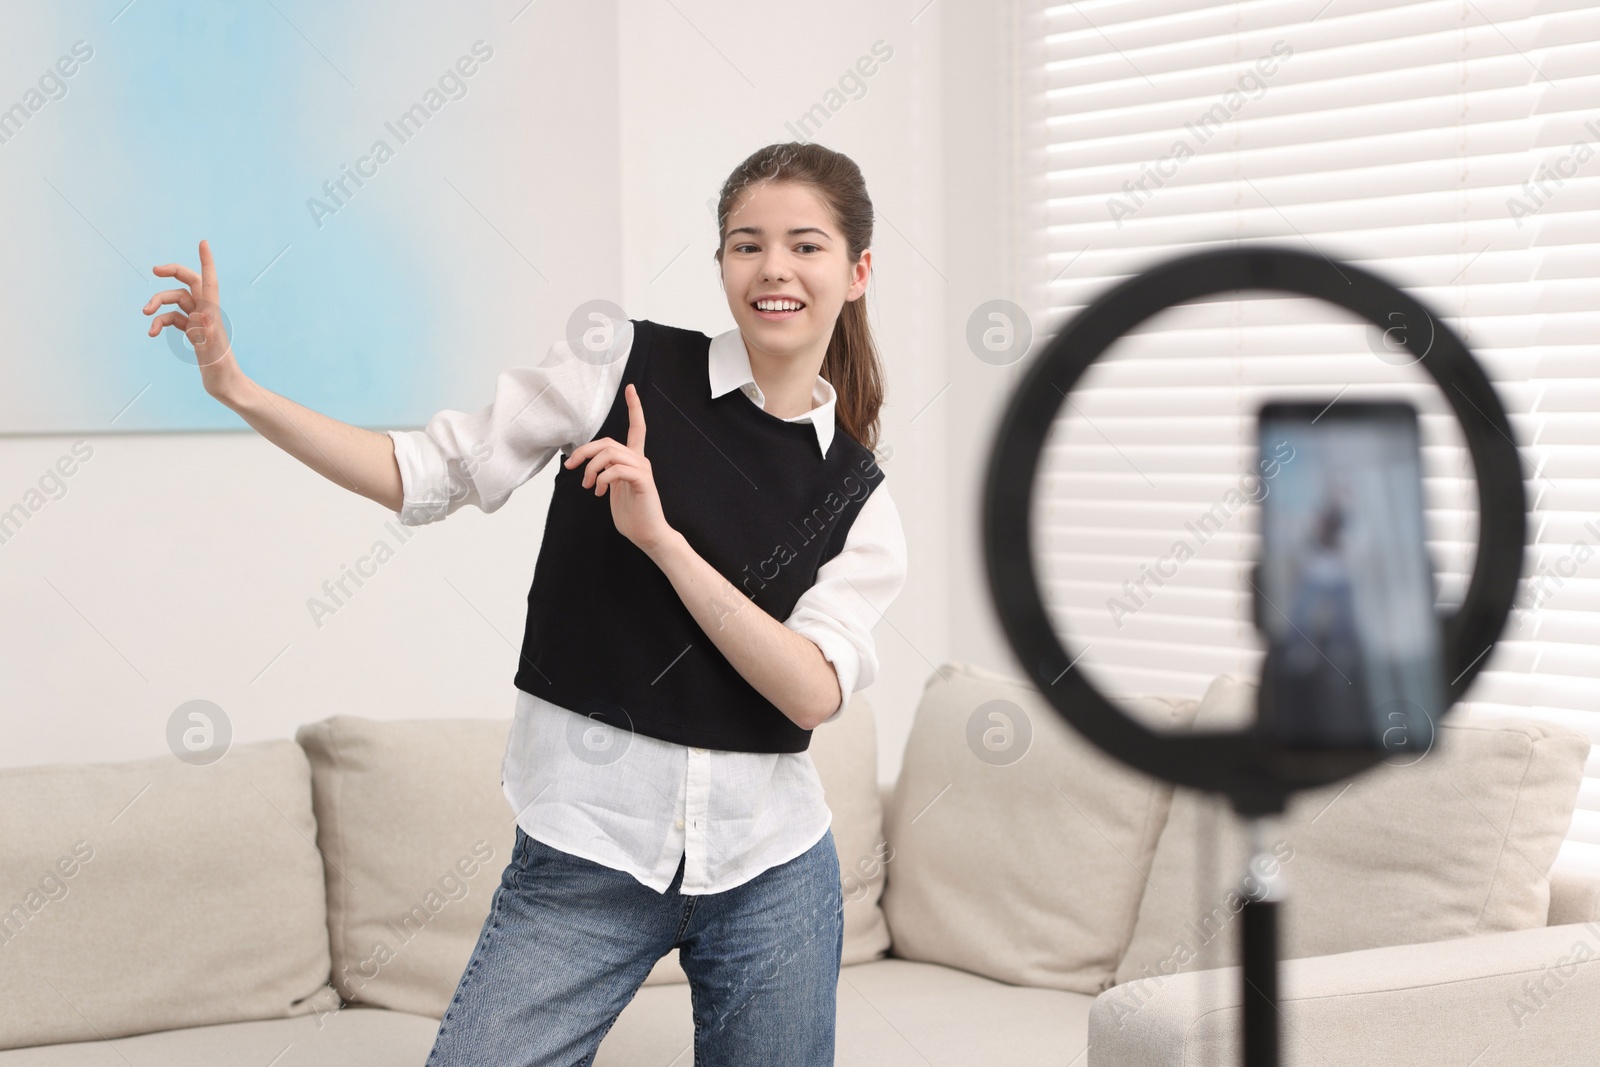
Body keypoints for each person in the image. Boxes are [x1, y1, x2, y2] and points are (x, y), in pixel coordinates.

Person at [141, 140, 908, 1066]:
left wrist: (662, 541)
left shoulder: (860, 496)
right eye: (747, 244)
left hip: (774, 871)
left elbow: (811, 692)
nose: (774, 268)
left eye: (806, 245)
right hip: (587, 853)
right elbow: (423, 474)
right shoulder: (618, 366)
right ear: (720, 264)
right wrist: (237, 387)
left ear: (857, 271)